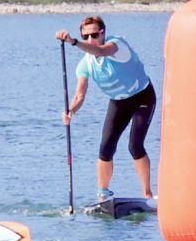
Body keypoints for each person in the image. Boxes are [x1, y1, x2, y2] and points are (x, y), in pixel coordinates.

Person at [56, 16, 156, 201]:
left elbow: (100, 51)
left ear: (103, 32)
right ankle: (103, 194)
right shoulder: (85, 64)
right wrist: (71, 111)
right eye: (85, 36)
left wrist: (73, 42)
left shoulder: (117, 46)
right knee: (105, 148)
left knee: (135, 145)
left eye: (94, 35)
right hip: (119, 102)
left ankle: (147, 194)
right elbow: (79, 95)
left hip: (142, 96)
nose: (90, 40)